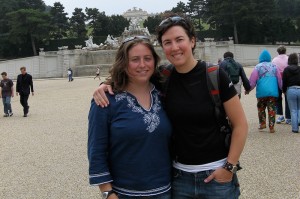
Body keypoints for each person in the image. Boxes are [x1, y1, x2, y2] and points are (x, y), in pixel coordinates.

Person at [93, 14, 248, 199]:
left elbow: (240, 124)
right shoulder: (163, 76)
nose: (174, 47)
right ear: (163, 47)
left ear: (192, 41)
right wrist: (105, 84)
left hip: (216, 176)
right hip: (178, 179)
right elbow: (133, 74)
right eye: (167, 42)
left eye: (179, 40)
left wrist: (229, 168)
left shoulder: (215, 75)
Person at [88, 36, 172, 199]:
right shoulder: (106, 100)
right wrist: (108, 193)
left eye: (147, 58)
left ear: (154, 62)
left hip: (166, 192)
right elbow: (96, 151)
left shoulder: (164, 94)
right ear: (123, 63)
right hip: (124, 194)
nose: (142, 65)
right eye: (135, 59)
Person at [247, 50, 282, 133]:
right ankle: (271, 127)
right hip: (272, 92)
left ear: (260, 58)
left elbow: (252, 80)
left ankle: (262, 123)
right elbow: (279, 79)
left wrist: (248, 89)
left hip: (261, 93)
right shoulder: (274, 66)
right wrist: (282, 88)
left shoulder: (257, 67)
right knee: (272, 108)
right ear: (269, 58)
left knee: (261, 108)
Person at [272, 45, 291, 124]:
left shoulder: (274, 60)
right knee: (288, 98)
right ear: (285, 51)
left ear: (278, 52)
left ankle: (280, 115)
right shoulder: (288, 58)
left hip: (277, 80)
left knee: (278, 98)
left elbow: (273, 71)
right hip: (288, 80)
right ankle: (288, 117)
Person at [282, 53, 300, 133]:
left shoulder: (286, 69)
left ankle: (295, 128)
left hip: (291, 90)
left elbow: (284, 82)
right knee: (299, 109)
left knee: (293, 110)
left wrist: (284, 90)